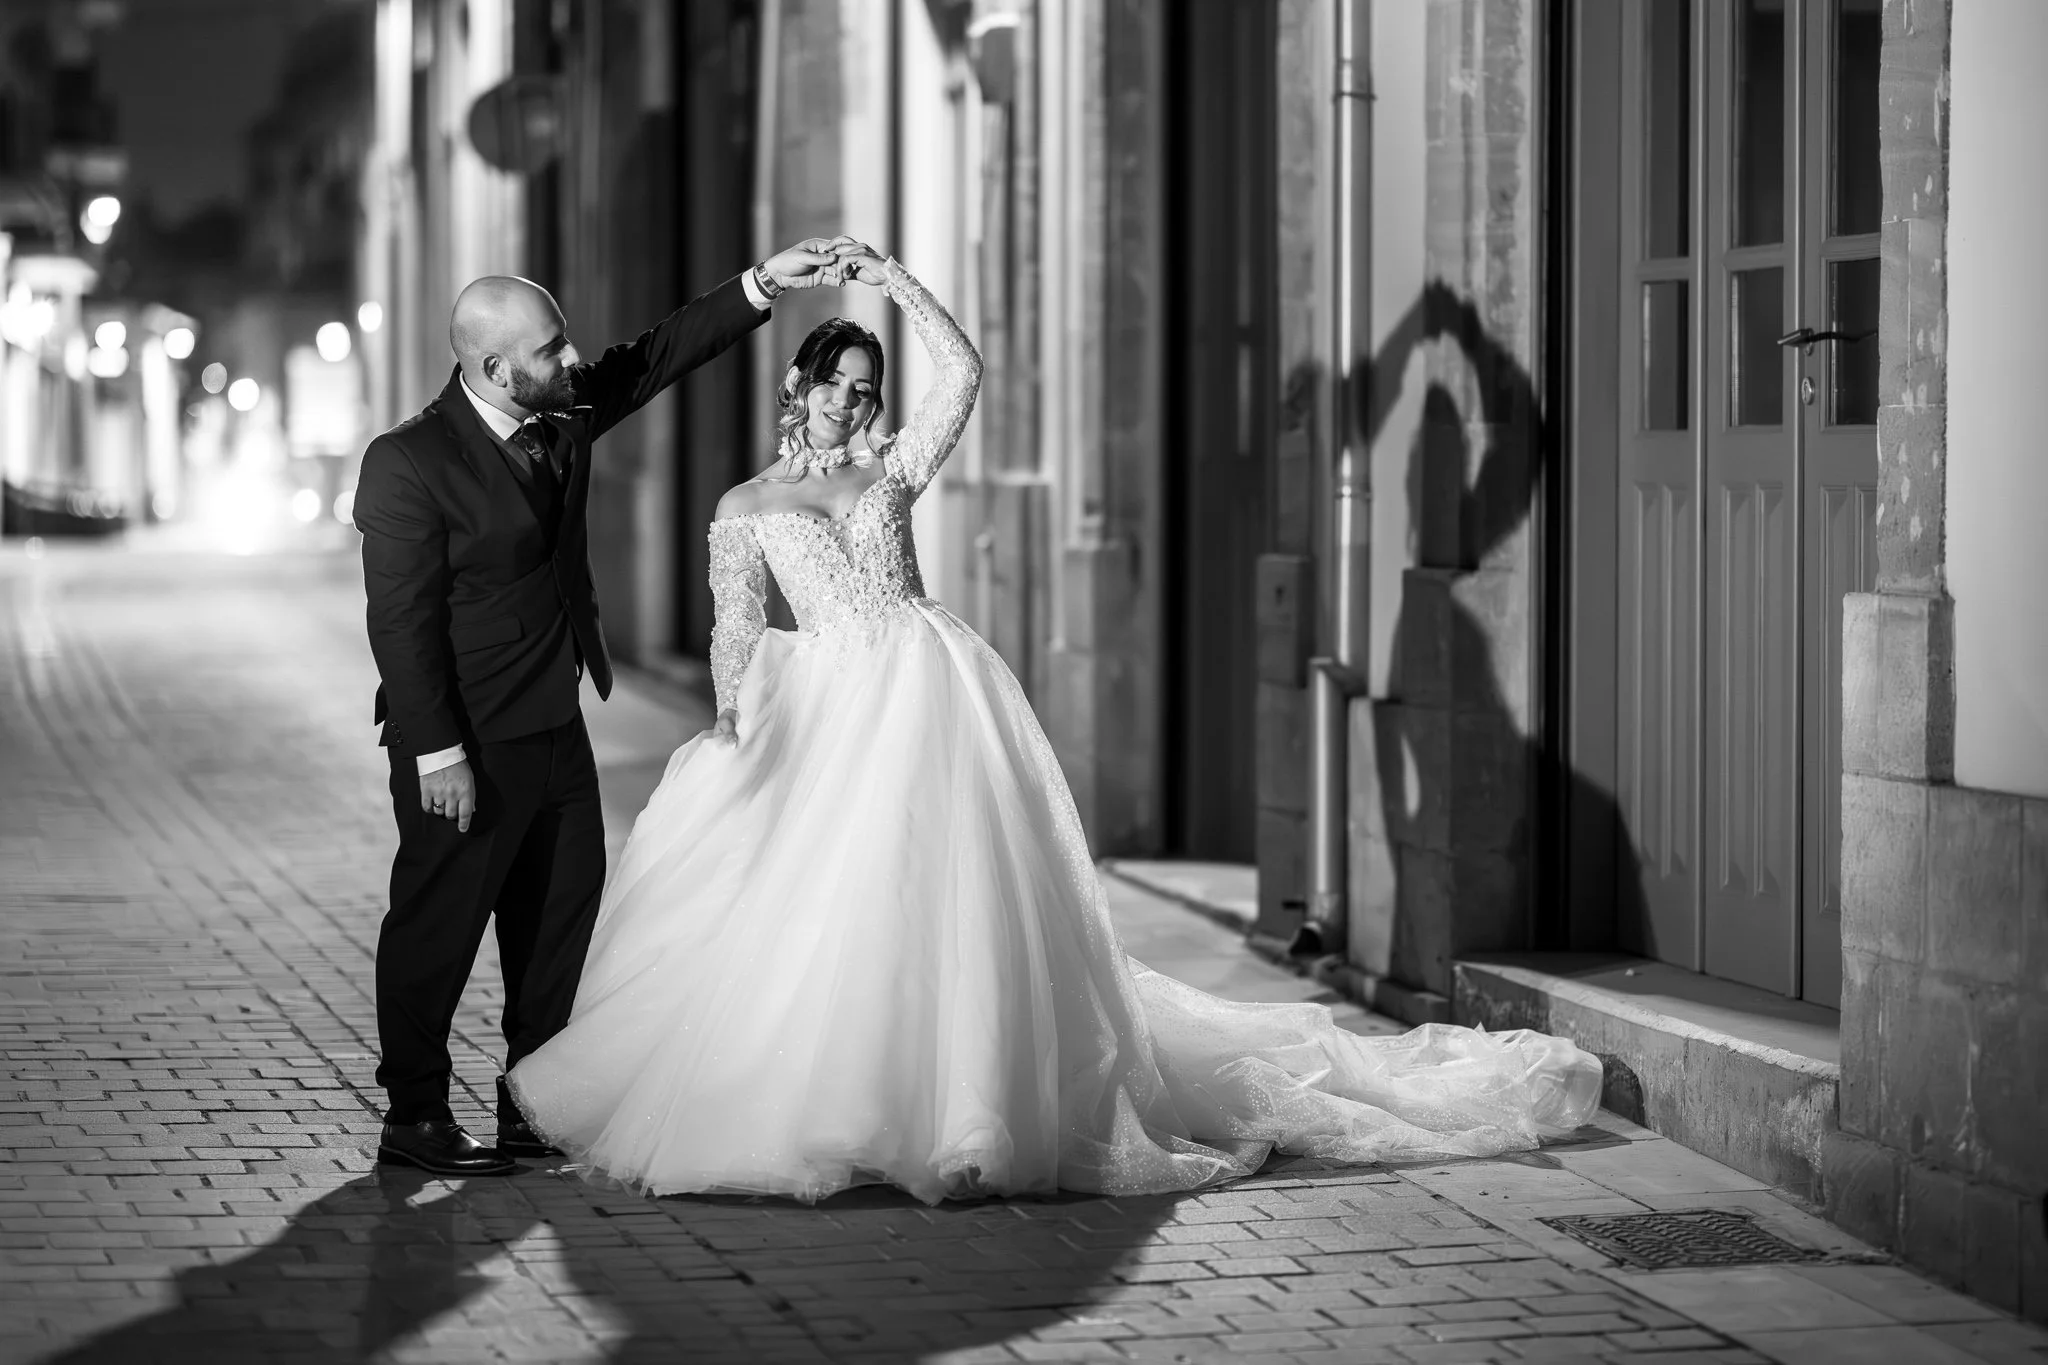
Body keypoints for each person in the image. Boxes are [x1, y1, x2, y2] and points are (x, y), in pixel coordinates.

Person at [507, 248, 1603, 1202]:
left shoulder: (891, 468)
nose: (852, 405)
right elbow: (735, 628)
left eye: (866, 389)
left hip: (927, 695)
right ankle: (852, 1104)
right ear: (796, 388)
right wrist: (735, 724)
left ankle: (970, 1113)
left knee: (946, 904)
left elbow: (967, 374)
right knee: (835, 908)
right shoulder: (742, 509)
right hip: (827, 711)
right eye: (836, 388)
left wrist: (895, 284)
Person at [354, 237, 856, 1177]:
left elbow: (653, 355)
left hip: (555, 721)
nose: (572, 359)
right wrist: (436, 756)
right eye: (550, 349)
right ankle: (414, 1115)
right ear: (495, 368)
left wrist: (758, 285)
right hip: (465, 740)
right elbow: (402, 627)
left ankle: (529, 1106)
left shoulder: (564, 409)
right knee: (437, 928)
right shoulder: (406, 464)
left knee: (556, 928)